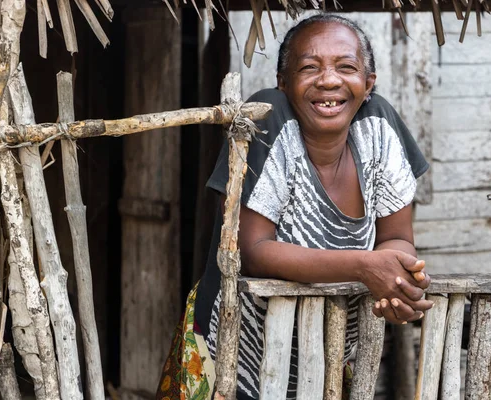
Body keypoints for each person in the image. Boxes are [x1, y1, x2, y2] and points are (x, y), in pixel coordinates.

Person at [156, 14, 432, 400]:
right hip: (233, 355)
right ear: (283, 83)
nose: (329, 81)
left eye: (346, 67)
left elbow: (398, 238)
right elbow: (254, 251)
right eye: (309, 68)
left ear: (368, 84)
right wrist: (365, 266)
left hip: (326, 359)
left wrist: (397, 283)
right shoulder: (267, 119)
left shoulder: (380, 127)